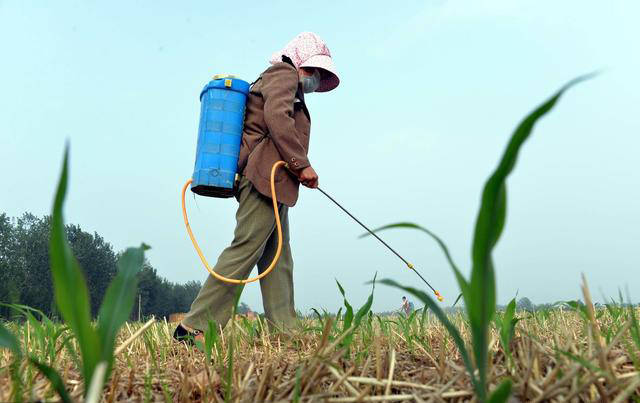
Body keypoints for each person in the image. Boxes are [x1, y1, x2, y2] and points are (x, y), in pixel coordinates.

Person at [174, 32, 340, 343]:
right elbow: (277, 117)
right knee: (245, 249)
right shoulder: (282, 73)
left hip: (274, 182)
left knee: (277, 257)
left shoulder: (284, 81)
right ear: (300, 61)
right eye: (315, 70)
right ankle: (194, 328)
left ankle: (285, 331)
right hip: (263, 178)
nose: (316, 78)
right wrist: (301, 163)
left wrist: (295, 167)